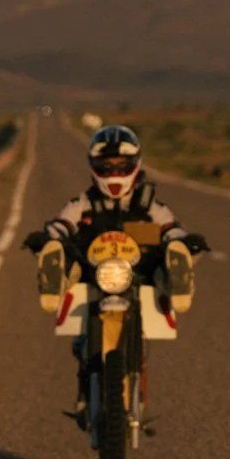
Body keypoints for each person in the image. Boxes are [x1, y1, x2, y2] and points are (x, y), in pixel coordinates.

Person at [37, 118, 197, 422]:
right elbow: (62, 222)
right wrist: (50, 238)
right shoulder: (83, 202)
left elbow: (170, 226)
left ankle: (178, 280)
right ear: (93, 166)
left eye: (120, 165)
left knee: (169, 258)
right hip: (92, 274)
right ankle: (53, 277)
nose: (113, 173)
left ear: (135, 164)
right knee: (64, 257)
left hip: (139, 275)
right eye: (106, 166)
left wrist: (182, 241)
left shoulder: (149, 203)